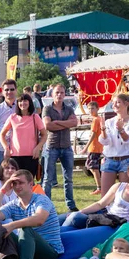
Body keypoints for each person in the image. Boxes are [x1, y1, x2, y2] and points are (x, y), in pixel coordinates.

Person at [62, 161, 129, 229]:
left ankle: (56, 240)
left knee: (75, 217)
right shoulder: (119, 187)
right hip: (105, 217)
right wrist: (82, 211)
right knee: (68, 216)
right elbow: (100, 204)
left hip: (117, 225)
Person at [42, 84, 78, 212]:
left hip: (66, 147)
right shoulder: (47, 109)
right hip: (52, 147)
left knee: (68, 179)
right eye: (57, 92)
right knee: (48, 179)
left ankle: (71, 205)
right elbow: (48, 126)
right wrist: (66, 124)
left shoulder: (69, 109)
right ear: (52, 94)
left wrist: (57, 123)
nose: (59, 95)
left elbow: (75, 122)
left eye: (62, 92)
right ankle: (46, 205)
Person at [98, 93, 129, 196]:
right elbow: (105, 141)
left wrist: (121, 129)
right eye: (113, 103)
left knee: (124, 194)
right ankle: (106, 212)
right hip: (109, 159)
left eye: (117, 102)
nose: (114, 105)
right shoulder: (109, 122)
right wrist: (102, 129)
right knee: (105, 195)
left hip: (126, 160)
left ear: (126, 104)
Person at [0, 93, 46, 176]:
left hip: (31, 155)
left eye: (25, 100)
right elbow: (2, 134)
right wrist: (6, 148)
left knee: (29, 183)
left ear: (29, 102)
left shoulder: (35, 117)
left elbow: (44, 135)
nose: (23, 103)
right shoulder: (12, 117)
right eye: (20, 101)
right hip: (15, 155)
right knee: (16, 181)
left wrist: (38, 147)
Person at [79, 101, 103, 195]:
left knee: (93, 168)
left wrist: (85, 147)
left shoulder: (96, 120)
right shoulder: (98, 119)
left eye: (92, 108)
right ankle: (99, 186)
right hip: (97, 147)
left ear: (97, 109)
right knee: (92, 167)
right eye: (89, 108)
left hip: (94, 147)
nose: (90, 110)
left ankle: (99, 187)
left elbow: (93, 134)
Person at [0, 79, 17, 165]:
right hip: (3, 146)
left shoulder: (22, 106)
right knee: (4, 173)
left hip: (18, 146)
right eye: (6, 90)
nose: (9, 92)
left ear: (16, 90)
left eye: (12, 89)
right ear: (2, 92)